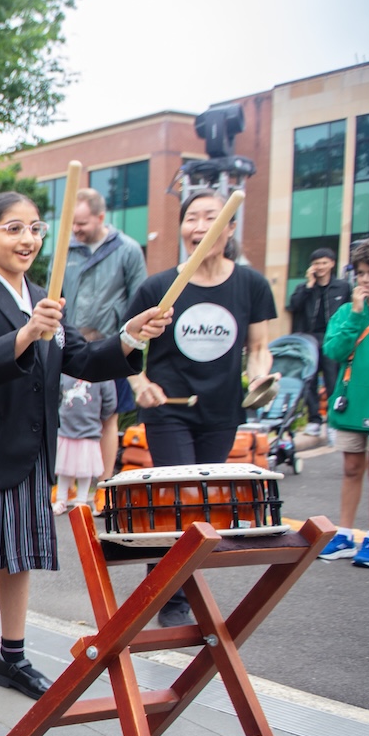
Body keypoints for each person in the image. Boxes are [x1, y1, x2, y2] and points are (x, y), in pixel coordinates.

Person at [0, 192, 171, 714]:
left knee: (18, 556)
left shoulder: (45, 297)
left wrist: (130, 337)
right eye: (14, 228)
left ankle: (11, 657)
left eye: (36, 228)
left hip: (33, 450)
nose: (28, 239)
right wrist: (27, 333)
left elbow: (83, 360)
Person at [126, 186, 276, 627]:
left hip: (221, 410)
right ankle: (168, 598)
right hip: (168, 408)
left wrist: (261, 377)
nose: (199, 226)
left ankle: (175, 589)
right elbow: (127, 346)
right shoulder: (159, 287)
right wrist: (140, 383)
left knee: (204, 504)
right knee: (178, 497)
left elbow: (259, 348)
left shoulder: (251, 284)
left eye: (211, 217)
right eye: (191, 218)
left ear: (230, 228)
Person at [316, 239, 369, 568]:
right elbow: (334, 351)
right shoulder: (346, 310)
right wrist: (354, 314)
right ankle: (344, 534)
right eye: (360, 273)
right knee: (351, 468)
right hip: (349, 405)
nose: (365, 279)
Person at [62, 189, 148, 476]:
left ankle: (104, 482)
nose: (76, 229)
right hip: (72, 346)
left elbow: (139, 299)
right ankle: (67, 482)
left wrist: (130, 340)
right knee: (67, 413)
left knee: (108, 416)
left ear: (100, 218)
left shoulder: (128, 250)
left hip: (112, 346)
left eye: (82, 223)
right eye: (73, 223)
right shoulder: (65, 250)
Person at [287, 246, 353, 434]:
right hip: (308, 338)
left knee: (333, 379)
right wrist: (309, 285)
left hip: (332, 338)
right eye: (317, 263)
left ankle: (333, 420)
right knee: (309, 380)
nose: (320, 266)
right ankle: (314, 420)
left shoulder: (343, 287)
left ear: (332, 264)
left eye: (324, 263)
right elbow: (294, 306)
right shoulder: (304, 288)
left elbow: (350, 311)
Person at [53, 348, 116, 514]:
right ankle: (61, 498)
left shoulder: (103, 375)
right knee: (64, 467)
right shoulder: (66, 372)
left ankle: (81, 501)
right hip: (65, 430)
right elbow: (57, 393)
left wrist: (100, 417)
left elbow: (110, 401)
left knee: (85, 469)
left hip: (89, 432)